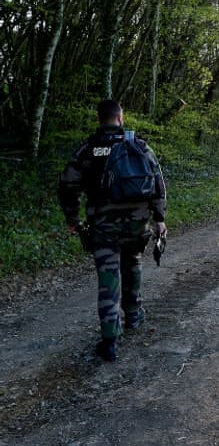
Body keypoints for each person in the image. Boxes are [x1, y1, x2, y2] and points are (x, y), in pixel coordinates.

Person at [59, 99, 167, 361]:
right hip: (136, 224)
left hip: (103, 227)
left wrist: (73, 218)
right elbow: (157, 182)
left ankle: (110, 340)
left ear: (100, 119)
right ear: (121, 118)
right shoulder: (138, 145)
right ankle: (134, 315)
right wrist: (159, 218)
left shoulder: (87, 149)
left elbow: (67, 186)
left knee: (109, 279)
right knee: (132, 264)